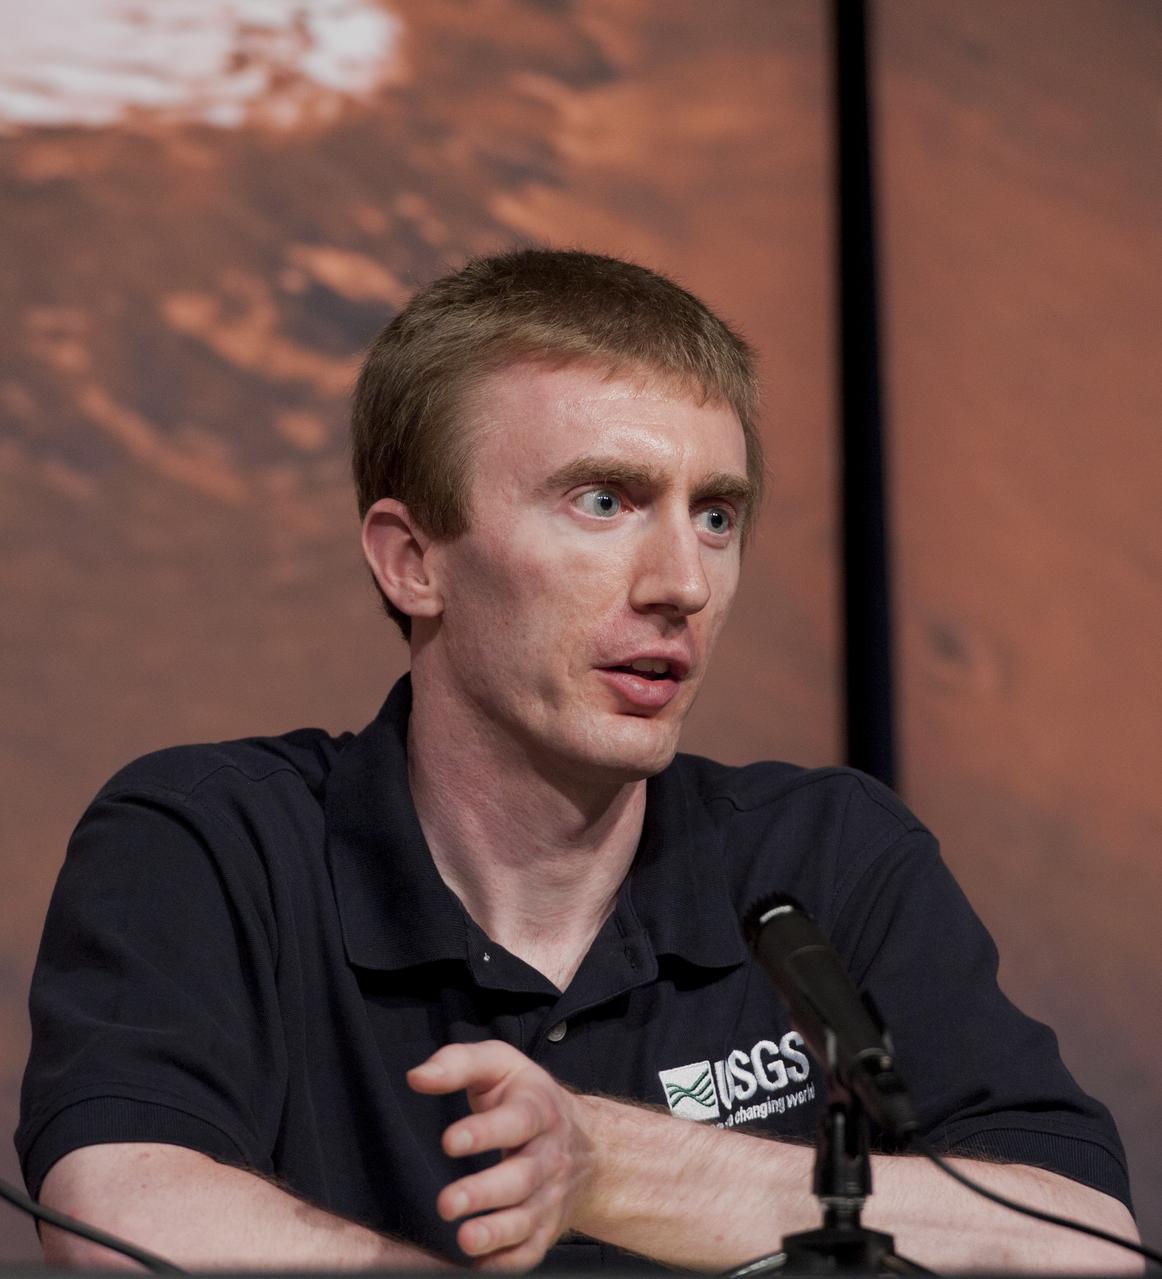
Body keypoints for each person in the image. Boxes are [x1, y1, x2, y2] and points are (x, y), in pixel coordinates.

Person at [19, 248, 1139, 1272]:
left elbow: (1084, 1240)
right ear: (414, 562)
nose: (681, 583)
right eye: (604, 501)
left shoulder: (827, 858)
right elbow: (124, 1210)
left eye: (715, 514)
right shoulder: (215, 839)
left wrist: (612, 1167)